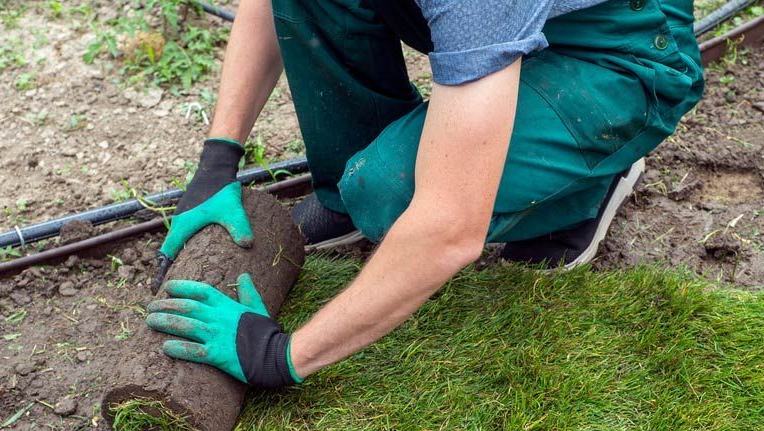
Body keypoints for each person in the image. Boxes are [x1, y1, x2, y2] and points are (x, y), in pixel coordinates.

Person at [146, 0, 704, 389]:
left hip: (615, 48)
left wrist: (282, 356)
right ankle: (356, 187)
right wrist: (218, 161)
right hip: (518, 18)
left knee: (391, 192)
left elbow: (450, 228)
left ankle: (588, 181)